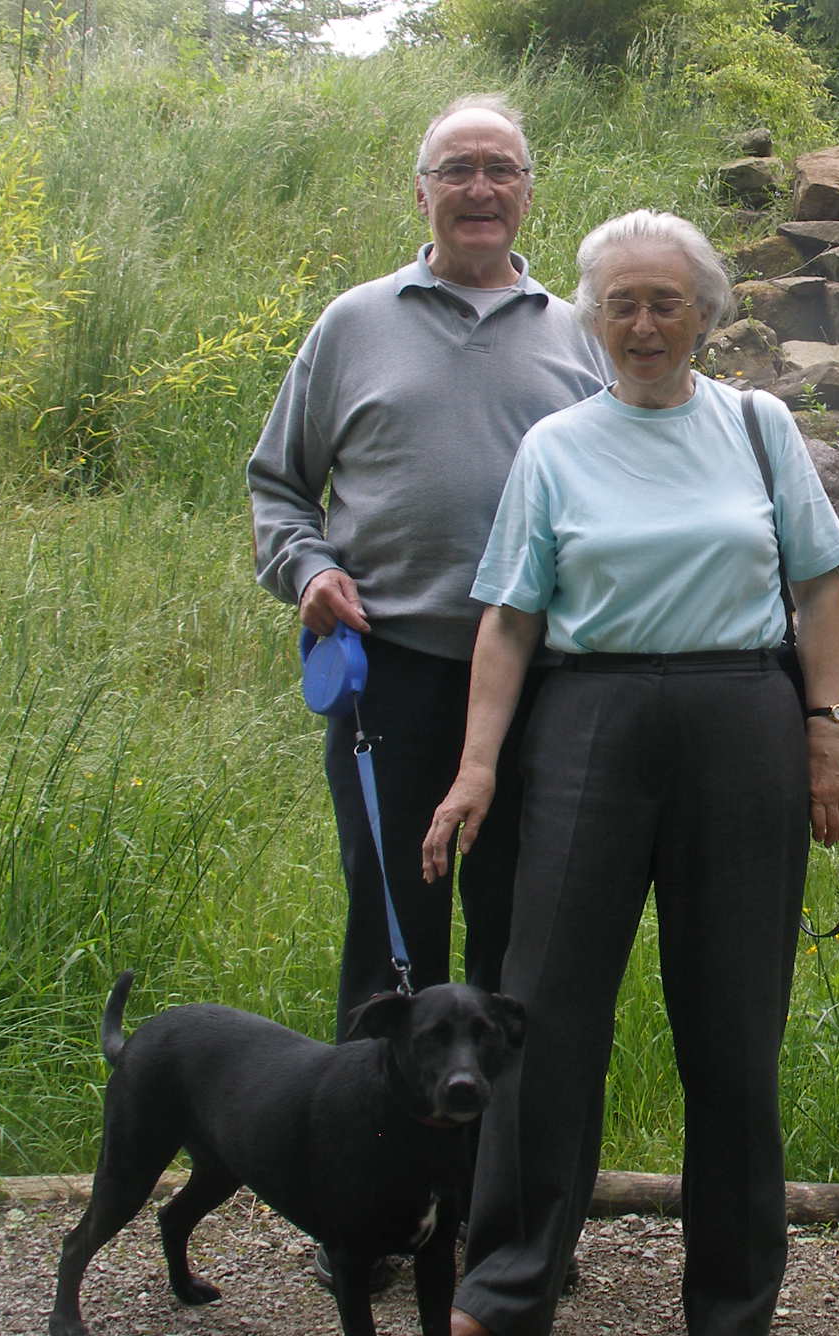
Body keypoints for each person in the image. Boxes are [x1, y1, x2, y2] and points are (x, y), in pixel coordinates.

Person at [421, 209, 839, 1336]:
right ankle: (508, 1282)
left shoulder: (761, 430)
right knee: (545, 1011)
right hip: (587, 726)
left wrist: (825, 733)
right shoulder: (555, 448)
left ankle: (730, 1303)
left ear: (706, 315)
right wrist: (476, 772)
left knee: (732, 1028)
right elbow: (510, 623)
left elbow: (819, 592)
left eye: (667, 302)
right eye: (622, 302)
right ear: (593, 317)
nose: (645, 323)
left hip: (741, 722)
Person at [248, 94, 609, 1042]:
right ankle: (369, 1165)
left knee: (517, 935)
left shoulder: (584, 338)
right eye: (458, 170)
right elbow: (279, 484)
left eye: (501, 169)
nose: (480, 188)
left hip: (544, 685)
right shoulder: (351, 326)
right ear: (421, 193)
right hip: (389, 675)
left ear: (530, 193)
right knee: (389, 934)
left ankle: (490, 1181)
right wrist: (306, 570)